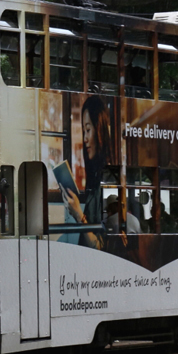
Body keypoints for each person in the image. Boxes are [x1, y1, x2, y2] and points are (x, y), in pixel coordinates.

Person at [62, 96, 113, 251]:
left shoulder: (109, 179)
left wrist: (79, 214)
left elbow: (101, 247)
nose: (84, 138)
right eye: (83, 131)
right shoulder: (96, 176)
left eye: (88, 130)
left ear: (100, 129)